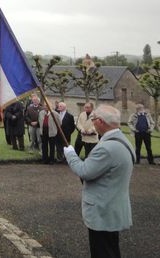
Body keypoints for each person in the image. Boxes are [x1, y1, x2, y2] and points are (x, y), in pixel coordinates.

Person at [64, 105, 135, 258]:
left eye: (94, 119)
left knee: (102, 252)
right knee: (111, 250)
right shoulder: (124, 141)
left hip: (103, 210)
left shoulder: (107, 148)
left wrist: (70, 154)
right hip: (113, 207)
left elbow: (84, 171)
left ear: (101, 122)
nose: (93, 122)